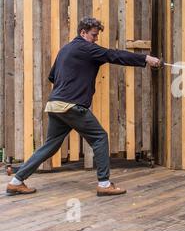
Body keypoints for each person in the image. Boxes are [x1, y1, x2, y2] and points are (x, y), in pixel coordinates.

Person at [6, 17, 161, 197]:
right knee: (100, 138)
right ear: (83, 33)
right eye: (94, 35)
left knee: (50, 146)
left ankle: (15, 182)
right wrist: (146, 59)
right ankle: (104, 184)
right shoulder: (86, 48)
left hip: (55, 104)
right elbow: (114, 55)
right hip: (71, 105)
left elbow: (52, 77)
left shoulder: (65, 50)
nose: (96, 39)